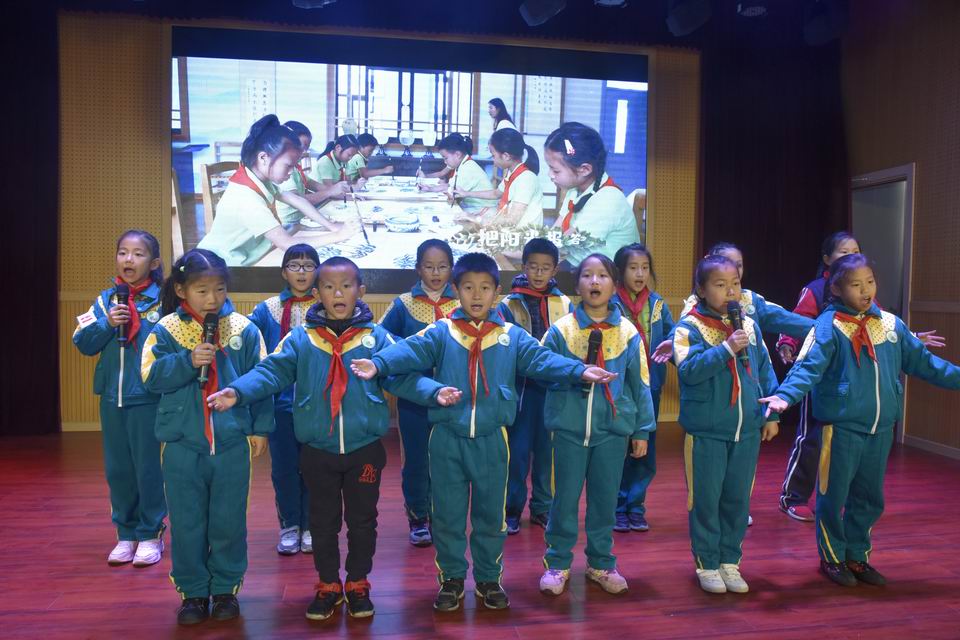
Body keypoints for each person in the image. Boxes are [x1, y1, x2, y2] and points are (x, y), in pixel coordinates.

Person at [349, 252, 616, 612]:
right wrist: (378, 363)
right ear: (456, 290)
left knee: (491, 516)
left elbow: (542, 360)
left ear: (496, 293)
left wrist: (579, 370)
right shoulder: (442, 331)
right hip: (447, 439)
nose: (477, 295)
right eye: (469, 288)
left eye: (485, 288)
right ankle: (451, 578)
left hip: (493, 441)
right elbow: (409, 351)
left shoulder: (510, 336)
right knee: (447, 515)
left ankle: (489, 578)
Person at [207, 257, 461, 620]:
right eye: (328, 287)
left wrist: (434, 391)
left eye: (346, 286)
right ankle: (328, 584)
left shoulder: (377, 338)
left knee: (363, 521)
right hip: (317, 450)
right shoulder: (302, 339)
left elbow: (402, 376)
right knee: (322, 521)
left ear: (361, 291)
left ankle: (358, 583)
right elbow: (270, 372)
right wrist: (237, 391)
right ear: (317, 294)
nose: (338, 293)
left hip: (365, 450)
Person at [760, 253, 960, 588]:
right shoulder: (828, 327)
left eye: (870, 282)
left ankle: (857, 555)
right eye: (856, 285)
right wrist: (784, 397)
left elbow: (926, 364)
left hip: (880, 429)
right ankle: (832, 556)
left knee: (869, 499)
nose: (866, 290)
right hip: (841, 428)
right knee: (833, 495)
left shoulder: (892, 325)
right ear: (837, 289)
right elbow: (807, 368)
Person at [141, 248, 273, 625]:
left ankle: (226, 588)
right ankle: (194, 592)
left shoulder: (244, 329)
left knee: (228, 521)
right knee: (187, 522)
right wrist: (187, 361)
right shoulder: (166, 329)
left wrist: (260, 427)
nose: (212, 298)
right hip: (181, 445)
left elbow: (263, 379)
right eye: (202, 291)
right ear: (181, 290)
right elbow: (150, 377)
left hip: (232, 443)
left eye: (219, 289)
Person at [775, 233, 945, 522]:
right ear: (827, 260)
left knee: (846, 453)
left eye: (855, 250)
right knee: (811, 440)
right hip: (822, 379)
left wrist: (912, 338)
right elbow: (796, 321)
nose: (851, 256)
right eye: (844, 252)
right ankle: (794, 497)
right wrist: (787, 344)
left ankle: (841, 503)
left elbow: (880, 327)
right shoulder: (816, 291)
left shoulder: (865, 290)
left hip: (854, 384)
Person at [538, 253, 656, 597]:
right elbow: (541, 368)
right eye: (587, 275)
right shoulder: (562, 329)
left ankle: (601, 563)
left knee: (604, 501)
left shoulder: (628, 332)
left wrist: (641, 430)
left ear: (614, 285)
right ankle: (558, 563)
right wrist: (572, 375)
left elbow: (640, 383)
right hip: (569, 432)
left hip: (612, 433)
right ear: (577, 285)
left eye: (602, 275)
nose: (594, 281)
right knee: (564, 500)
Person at [673, 254, 780, 594]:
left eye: (735, 284)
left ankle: (730, 561)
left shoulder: (748, 325)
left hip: (746, 431)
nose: (730, 292)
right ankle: (707, 563)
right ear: (701, 290)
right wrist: (726, 349)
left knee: (737, 500)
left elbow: (764, 371)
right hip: (707, 432)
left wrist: (771, 413)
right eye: (720, 285)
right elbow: (689, 372)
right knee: (706, 500)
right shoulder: (688, 327)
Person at [72, 230, 167, 567]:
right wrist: (107, 323)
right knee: (118, 470)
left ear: (153, 263)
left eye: (138, 254)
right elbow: (82, 341)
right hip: (112, 399)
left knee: (148, 469)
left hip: (148, 398)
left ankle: (151, 533)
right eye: (123, 252)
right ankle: (126, 533)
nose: (129, 259)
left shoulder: (164, 301)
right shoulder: (104, 301)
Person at [379, 239, 460, 546]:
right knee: (415, 459)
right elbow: (382, 339)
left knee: (449, 458)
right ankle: (418, 516)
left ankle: (444, 516)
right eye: (429, 267)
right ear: (417, 269)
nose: (436, 273)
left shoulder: (462, 301)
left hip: (454, 397)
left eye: (442, 267)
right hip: (414, 398)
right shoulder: (403, 304)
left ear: (452, 269)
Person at [198, 115, 356, 266]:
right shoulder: (246, 198)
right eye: (288, 165)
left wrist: (330, 226)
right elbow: (288, 244)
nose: (291, 171)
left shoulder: (258, 179)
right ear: (263, 158)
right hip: (223, 266)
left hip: (255, 252)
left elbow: (297, 200)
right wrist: (338, 235)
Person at [497, 238, 573, 533]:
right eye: (533, 267)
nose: (539, 273)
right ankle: (512, 509)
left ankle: (542, 507)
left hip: (552, 389)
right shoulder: (508, 304)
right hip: (521, 389)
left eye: (545, 268)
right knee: (516, 454)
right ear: (523, 266)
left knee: (547, 453)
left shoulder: (564, 304)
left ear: (555, 270)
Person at [248, 244, 320, 555]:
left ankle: (312, 525)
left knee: (316, 468)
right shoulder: (267, 310)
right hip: (280, 405)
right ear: (283, 272)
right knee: (285, 468)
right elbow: (252, 347)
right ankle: (290, 524)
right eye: (294, 266)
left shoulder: (326, 305)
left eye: (308, 265)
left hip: (318, 405)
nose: (301, 272)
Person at [612, 243, 674, 533]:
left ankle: (635, 506)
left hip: (651, 387)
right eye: (633, 268)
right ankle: (616, 506)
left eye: (645, 268)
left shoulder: (658, 304)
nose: (640, 274)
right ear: (620, 271)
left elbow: (675, 334)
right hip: (619, 388)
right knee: (619, 448)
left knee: (645, 448)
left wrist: (671, 343)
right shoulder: (611, 303)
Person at [544, 122, 640, 265]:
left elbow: (566, 248)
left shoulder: (607, 200)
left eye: (555, 170)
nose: (549, 175)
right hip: (579, 266)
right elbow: (556, 233)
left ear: (584, 169)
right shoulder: (575, 189)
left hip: (606, 275)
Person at [453, 128, 543, 228]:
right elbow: (496, 193)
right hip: (511, 230)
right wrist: (466, 193)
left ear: (506, 156)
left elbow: (511, 221)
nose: (493, 160)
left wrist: (475, 218)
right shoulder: (513, 173)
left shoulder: (526, 179)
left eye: (493, 155)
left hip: (523, 234)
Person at [275, 120, 350, 228]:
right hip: (290, 223)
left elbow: (314, 184)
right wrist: (330, 191)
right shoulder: (283, 168)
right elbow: (298, 200)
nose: (304, 151)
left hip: (303, 217)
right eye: (301, 146)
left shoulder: (295, 167)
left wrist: (343, 194)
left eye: (306, 148)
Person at [419, 133, 497, 212]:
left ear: (458, 154)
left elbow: (453, 193)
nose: (445, 162)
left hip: (482, 210)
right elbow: (450, 186)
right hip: (474, 207)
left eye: (446, 158)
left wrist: (433, 189)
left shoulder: (468, 168)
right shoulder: (462, 164)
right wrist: (430, 188)